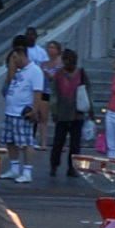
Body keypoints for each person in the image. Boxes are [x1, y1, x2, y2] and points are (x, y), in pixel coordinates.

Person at [0, 45, 43, 183]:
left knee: (26, 142)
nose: (13, 61)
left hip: (22, 112)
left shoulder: (34, 71)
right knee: (11, 141)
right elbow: (5, 89)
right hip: (10, 110)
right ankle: (14, 169)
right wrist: (10, 71)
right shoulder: (17, 72)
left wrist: (34, 110)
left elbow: (38, 92)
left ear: (20, 55)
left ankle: (27, 171)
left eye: (14, 58)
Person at [48, 49, 89, 177]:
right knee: (58, 142)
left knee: (75, 144)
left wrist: (90, 109)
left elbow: (88, 91)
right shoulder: (59, 75)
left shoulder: (81, 73)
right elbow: (54, 94)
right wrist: (54, 111)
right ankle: (54, 165)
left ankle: (72, 167)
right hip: (62, 113)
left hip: (77, 113)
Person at [36, 40, 62, 152]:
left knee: (58, 119)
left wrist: (50, 75)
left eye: (52, 47)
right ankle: (43, 143)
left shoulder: (61, 64)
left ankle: (60, 142)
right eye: (49, 48)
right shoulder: (44, 64)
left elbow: (60, 79)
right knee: (43, 117)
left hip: (56, 93)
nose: (50, 50)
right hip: (45, 92)